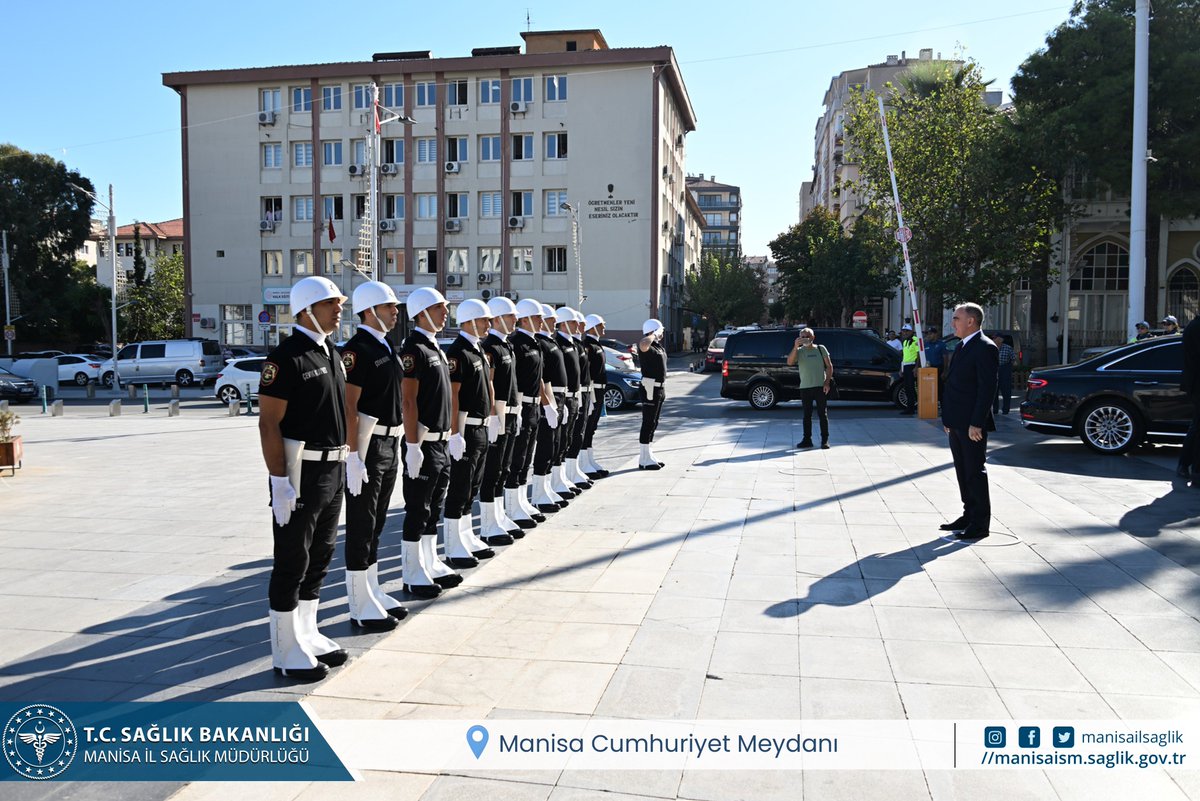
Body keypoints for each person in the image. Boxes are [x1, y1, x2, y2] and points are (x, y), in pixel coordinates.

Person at [258, 276, 350, 681]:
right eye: (332, 302)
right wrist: (279, 481)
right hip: (301, 471)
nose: (339, 308)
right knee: (293, 559)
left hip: (333, 467)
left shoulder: (330, 352)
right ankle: (284, 647)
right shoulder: (287, 357)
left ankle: (307, 632)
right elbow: (268, 424)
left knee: (321, 554)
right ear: (307, 309)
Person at [341, 281, 405, 632]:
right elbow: (350, 406)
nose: (396, 311)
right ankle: (358, 603)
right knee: (362, 524)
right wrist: (353, 455)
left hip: (389, 443)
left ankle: (373, 589)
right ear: (370, 310)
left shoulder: (385, 345)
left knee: (377, 522)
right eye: (389, 306)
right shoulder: (357, 350)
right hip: (366, 445)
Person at [398, 286, 462, 598]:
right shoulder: (414, 350)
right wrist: (411, 447)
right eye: (439, 308)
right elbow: (408, 402)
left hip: (439, 444)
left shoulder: (434, 347)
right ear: (422, 313)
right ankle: (411, 572)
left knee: (433, 507)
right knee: (417, 509)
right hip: (422, 444)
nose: (445, 312)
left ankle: (429, 561)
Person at [442, 298, 501, 568]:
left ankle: (466, 537)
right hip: (465, 428)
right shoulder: (458, 352)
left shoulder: (477, 349)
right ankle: (453, 546)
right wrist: (455, 432)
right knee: (459, 488)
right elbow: (454, 396)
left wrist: (492, 417)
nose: (489, 325)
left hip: (481, 426)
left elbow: (488, 385)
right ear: (469, 321)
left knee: (472, 486)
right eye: (484, 320)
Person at [939, 302, 999, 541]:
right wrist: (948, 419)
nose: (952, 322)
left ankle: (980, 523)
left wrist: (977, 422)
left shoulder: (985, 347)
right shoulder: (963, 346)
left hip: (972, 424)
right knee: (962, 471)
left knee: (974, 471)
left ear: (971, 321)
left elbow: (987, 389)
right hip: (957, 422)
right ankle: (968, 514)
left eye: (956, 318)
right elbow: (955, 385)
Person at [477, 295, 525, 541]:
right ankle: (487, 525)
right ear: (496, 319)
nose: (515, 320)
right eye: (510, 316)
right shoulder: (490, 348)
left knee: (504, 468)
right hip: (499, 416)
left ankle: (498, 516)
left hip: (511, 413)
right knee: (493, 470)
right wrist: (494, 417)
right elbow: (490, 383)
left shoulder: (506, 345)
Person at [504, 298, 555, 524]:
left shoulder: (534, 343)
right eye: (537, 317)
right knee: (517, 457)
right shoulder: (516, 343)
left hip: (534, 405)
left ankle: (522, 501)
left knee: (526, 457)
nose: (542, 321)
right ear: (524, 319)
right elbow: (510, 380)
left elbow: (540, 378)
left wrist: (547, 404)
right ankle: (511, 506)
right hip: (520, 406)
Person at [531, 305, 569, 511]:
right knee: (545, 446)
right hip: (548, 398)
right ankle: (538, 493)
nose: (555, 322)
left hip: (558, 396)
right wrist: (548, 404)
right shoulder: (541, 343)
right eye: (550, 319)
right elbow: (542, 378)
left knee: (555, 445)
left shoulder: (550, 341)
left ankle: (545, 488)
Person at [786, 327, 833, 449]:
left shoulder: (820, 349)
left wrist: (827, 382)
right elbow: (789, 362)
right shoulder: (799, 351)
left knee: (823, 414)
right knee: (807, 415)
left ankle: (825, 440)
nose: (804, 339)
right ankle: (807, 440)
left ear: (812, 337)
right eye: (802, 336)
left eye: (806, 336)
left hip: (820, 386)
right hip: (805, 387)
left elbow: (829, 366)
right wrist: (795, 346)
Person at [580, 313, 610, 478]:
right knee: (587, 426)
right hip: (592, 390)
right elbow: (587, 371)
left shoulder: (596, 344)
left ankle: (589, 460)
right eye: (601, 324)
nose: (603, 327)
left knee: (592, 428)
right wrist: (589, 395)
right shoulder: (588, 345)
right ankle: (583, 463)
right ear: (592, 326)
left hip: (599, 390)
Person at [638, 318, 668, 469]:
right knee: (648, 422)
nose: (662, 333)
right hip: (650, 388)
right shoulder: (647, 344)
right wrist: (653, 334)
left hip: (659, 388)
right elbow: (643, 345)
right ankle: (643, 458)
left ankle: (648, 453)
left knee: (654, 422)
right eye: (660, 330)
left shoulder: (658, 347)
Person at [1180, 314, 1200, 484]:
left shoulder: (1193, 326)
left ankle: (1184, 465)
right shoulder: (1196, 328)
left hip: (1195, 383)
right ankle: (1196, 471)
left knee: (1196, 427)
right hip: (1198, 384)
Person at [992, 334, 1016, 415]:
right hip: (994, 370)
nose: (994, 340)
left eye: (995, 338)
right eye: (994, 338)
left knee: (1006, 391)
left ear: (1000, 339)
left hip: (1004, 370)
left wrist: (1008, 368)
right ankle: (995, 409)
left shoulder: (1008, 348)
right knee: (994, 392)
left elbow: (1013, 359)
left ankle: (1006, 410)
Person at [898, 324, 918, 415]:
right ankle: (911, 407)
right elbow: (904, 357)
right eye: (903, 331)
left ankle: (911, 408)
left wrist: (916, 367)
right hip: (906, 366)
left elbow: (919, 355)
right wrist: (901, 369)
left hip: (912, 366)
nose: (904, 333)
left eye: (906, 331)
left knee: (910, 387)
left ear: (911, 332)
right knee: (907, 387)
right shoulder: (905, 341)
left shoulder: (916, 340)